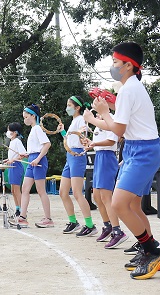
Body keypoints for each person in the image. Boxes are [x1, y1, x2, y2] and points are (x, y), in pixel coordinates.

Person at [83, 42, 160, 279]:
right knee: (131, 205)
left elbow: (116, 130)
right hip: (136, 150)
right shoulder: (129, 89)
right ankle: (147, 249)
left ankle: (153, 252)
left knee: (119, 204)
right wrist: (101, 114)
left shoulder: (130, 90)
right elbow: (116, 125)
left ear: (129, 66)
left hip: (142, 152)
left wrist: (102, 112)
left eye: (115, 63)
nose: (112, 67)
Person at [85, 113, 129, 248]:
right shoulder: (99, 122)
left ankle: (118, 231)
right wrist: (90, 143)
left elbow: (111, 141)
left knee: (105, 196)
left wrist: (94, 143)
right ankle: (108, 226)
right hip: (99, 156)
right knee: (97, 196)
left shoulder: (111, 119)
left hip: (107, 157)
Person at [56, 96, 98, 235]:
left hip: (78, 155)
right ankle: (73, 222)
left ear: (77, 107)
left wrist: (82, 131)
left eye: (69, 105)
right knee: (63, 192)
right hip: (70, 156)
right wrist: (63, 131)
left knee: (77, 192)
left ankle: (90, 225)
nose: (67, 108)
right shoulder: (73, 121)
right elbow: (70, 140)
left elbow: (82, 131)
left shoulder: (81, 119)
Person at [9, 104, 53, 228]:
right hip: (32, 159)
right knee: (25, 188)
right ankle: (22, 217)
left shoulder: (38, 128)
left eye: (26, 117)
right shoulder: (33, 129)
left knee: (40, 190)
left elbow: (47, 144)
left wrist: (38, 159)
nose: (24, 119)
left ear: (33, 116)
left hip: (39, 161)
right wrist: (26, 155)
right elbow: (35, 148)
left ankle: (48, 219)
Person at [2, 122, 26, 217]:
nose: (7, 132)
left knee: (16, 190)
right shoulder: (12, 142)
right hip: (11, 166)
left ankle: (21, 209)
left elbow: (23, 155)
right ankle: (17, 208)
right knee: (12, 190)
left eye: (9, 130)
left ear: (15, 132)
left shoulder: (17, 141)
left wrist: (13, 159)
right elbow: (14, 155)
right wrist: (8, 159)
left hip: (16, 166)